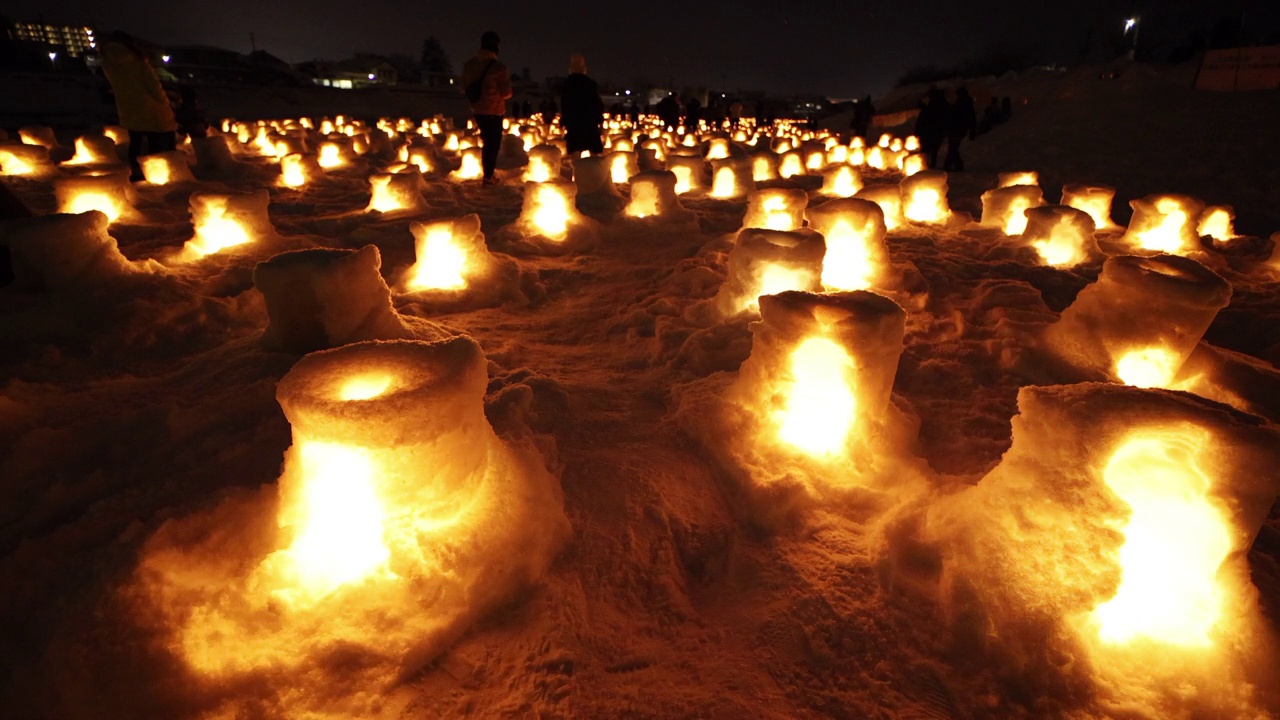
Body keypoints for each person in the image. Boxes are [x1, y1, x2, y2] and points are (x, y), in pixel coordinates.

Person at [99, 31, 177, 181]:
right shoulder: (138, 60)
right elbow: (153, 85)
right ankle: (155, 173)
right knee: (155, 140)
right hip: (149, 105)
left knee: (135, 141)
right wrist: (164, 101)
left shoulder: (107, 61)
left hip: (127, 106)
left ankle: (136, 170)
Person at [460, 30, 512, 186]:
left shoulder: (469, 65)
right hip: (494, 111)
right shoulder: (498, 68)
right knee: (492, 143)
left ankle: (488, 173)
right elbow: (507, 93)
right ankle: (488, 176)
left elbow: (463, 86)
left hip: (478, 110)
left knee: (487, 141)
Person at [559, 53, 604, 156]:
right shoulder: (590, 84)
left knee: (575, 151)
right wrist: (599, 119)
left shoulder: (567, 84)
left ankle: (576, 169)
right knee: (594, 151)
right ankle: (595, 169)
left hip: (573, 123)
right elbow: (596, 103)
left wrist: (564, 121)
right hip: (589, 122)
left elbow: (565, 105)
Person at [942, 86, 976, 172]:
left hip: (958, 129)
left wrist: (971, 129)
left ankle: (950, 166)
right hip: (955, 129)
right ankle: (955, 165)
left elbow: (970, 118)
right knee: (953, 148)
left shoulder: (965, 104)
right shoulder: (961, 103)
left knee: (953, 148)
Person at [913, 86, 948, 168]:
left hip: (930, 131)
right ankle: (929, 165)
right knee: (932, 150)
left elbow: (925, 117)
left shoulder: (934, 105)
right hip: (935, 132)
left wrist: (918, 130)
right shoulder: (940, 104)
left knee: (927, 150)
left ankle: (926, 166)